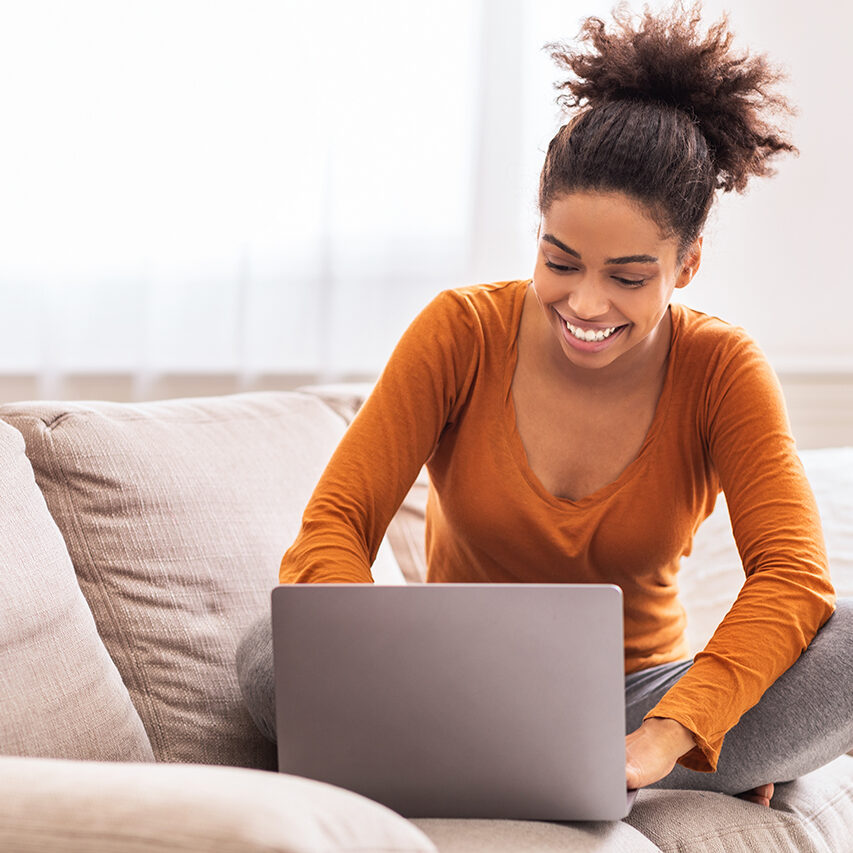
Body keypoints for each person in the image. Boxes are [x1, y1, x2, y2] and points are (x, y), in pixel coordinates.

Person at [237, 2, 852, 808]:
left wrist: (668, 733)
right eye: (559, 261)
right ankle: (517, 756)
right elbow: (334, 527)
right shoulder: (460, 330)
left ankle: (565, 765)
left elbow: (792, 578)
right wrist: (373, 662)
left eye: (628, 278)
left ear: (687, 263)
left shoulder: (721, 367)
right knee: (268, 655)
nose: (585, 304)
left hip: (633, 706)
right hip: (449, 681)